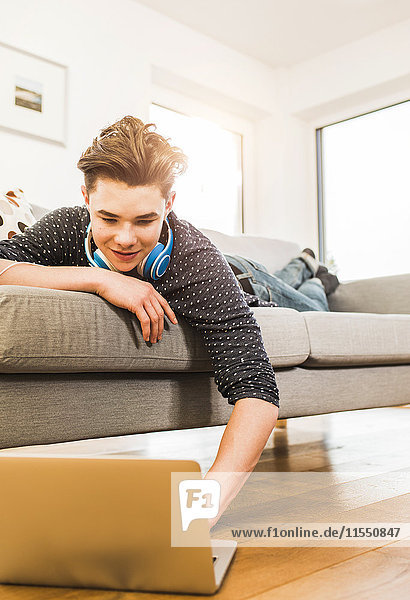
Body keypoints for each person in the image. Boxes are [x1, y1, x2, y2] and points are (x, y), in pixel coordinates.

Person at [0, 115, 281, 526]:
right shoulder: (65, 225)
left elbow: (257, 390)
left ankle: (309, 269)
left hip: (252, 281)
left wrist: (201, 510)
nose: (125, 239)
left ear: (169, 204)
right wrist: (100, 279)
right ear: (86, 199)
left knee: (310, 293)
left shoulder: (197, 262)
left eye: (145, 220)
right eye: (109, 219)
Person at [225, 250, 340, 313]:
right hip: (237, 268)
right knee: (281, 286)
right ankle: (306, 263)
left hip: (239, 276)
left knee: (318, 313)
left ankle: (316, 280)